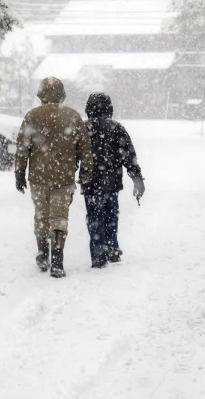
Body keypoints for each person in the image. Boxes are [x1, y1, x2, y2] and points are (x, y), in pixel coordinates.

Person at [15, 77, 93, 278]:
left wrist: (19, 174)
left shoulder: (32, 116)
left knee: (41, 215)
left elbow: (22, 148)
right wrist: (86, 170)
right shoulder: (73, 116)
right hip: (64, 177)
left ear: (41, 95)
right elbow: (85, 148)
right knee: (59, 217)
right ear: (62, 94)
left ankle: (42, 254)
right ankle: (57, 261)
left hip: (38, 177)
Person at [82, 92, 144, 268]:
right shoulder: (116, 128)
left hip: (90, 183)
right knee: (111, 216)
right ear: (109, 108)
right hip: (111, 183)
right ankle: (112, 248)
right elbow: (129, 156)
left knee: (94, 218)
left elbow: (73, 157)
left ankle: (98, 254)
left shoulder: (83, 128)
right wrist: (137, 178)